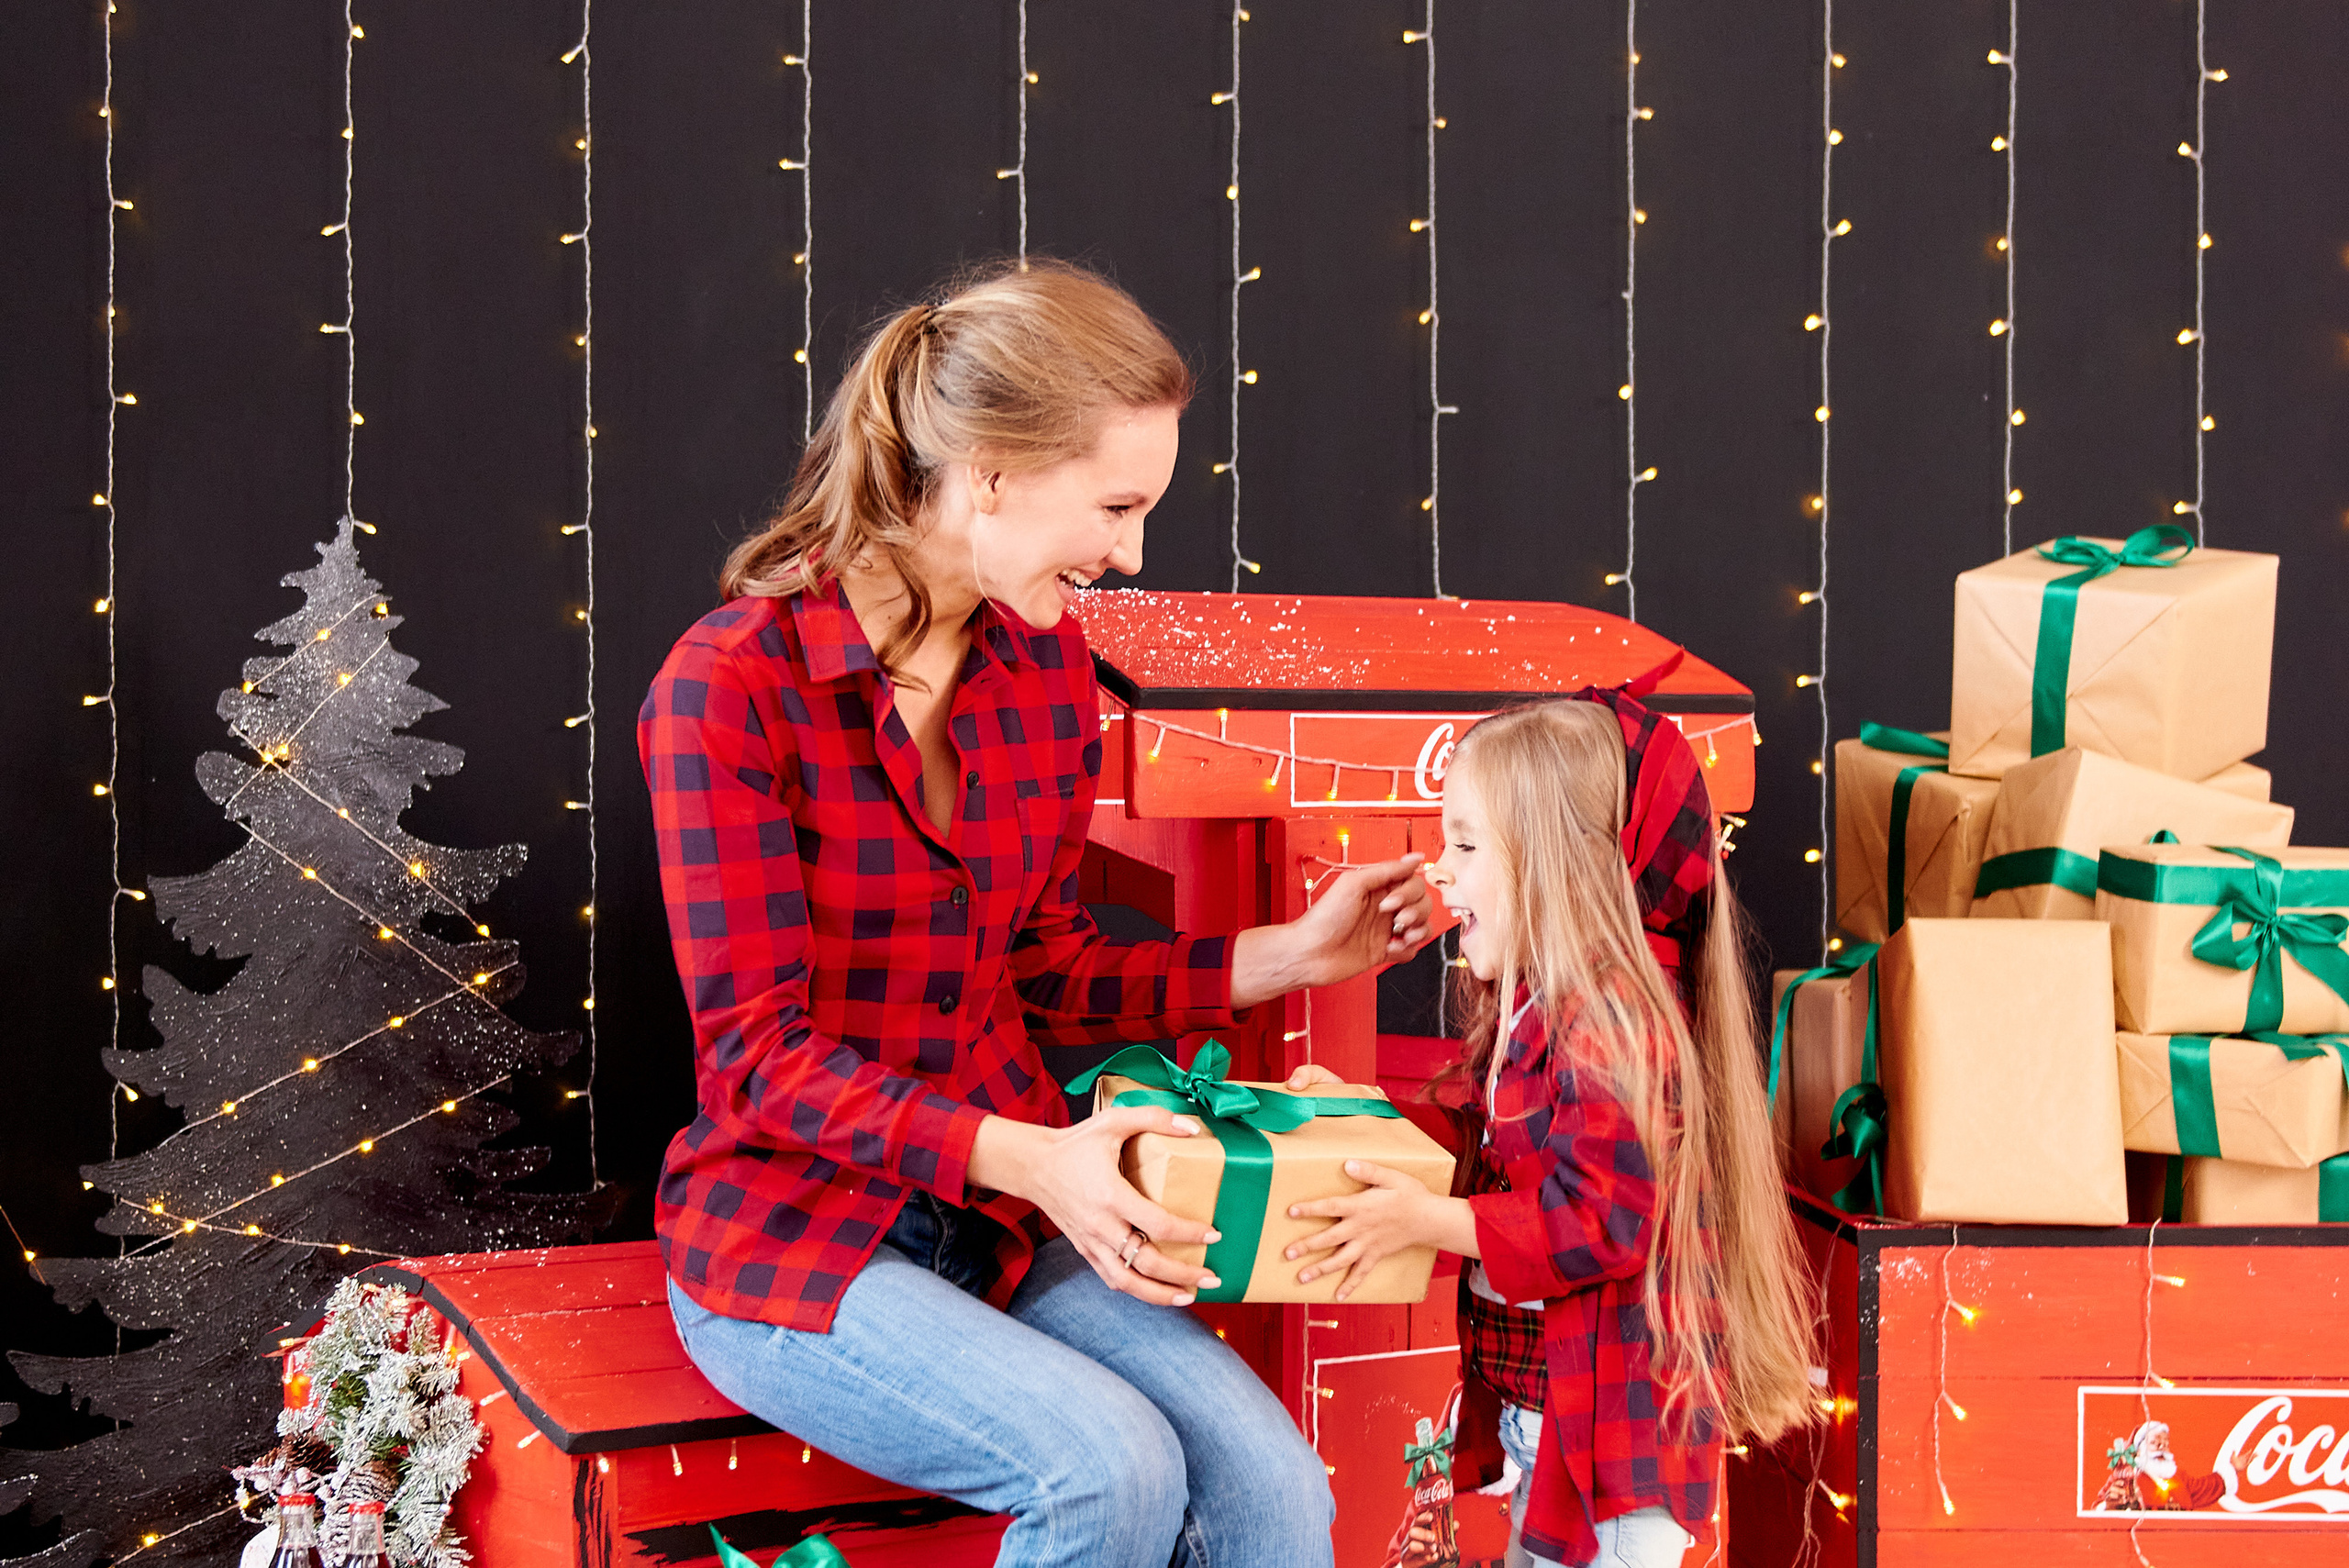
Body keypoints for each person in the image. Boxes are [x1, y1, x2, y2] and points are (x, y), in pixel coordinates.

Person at [637, 258, 1437, 1568]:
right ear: (992, 473)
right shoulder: (731, 688)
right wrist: (1037, 1158)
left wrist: (1284, 957)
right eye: (1115, 506)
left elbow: (1046, 964)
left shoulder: (1047, 665)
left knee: (1276, 1492)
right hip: (796, 1236)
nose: (1129, 554)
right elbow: (758, 1059)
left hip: (999, 1225)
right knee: (1104, 1473)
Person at [1277, 696, 1817, 1567]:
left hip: (1618, 1452)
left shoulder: (1608, 1019)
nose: (1439, 873)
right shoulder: (1537, 999)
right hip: (1559, 1426)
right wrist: (1363, 1111)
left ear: (1552, 866)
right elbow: (1493, 1155)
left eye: (1464, 843)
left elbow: (1600, 1220)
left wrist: (1422, 1220)